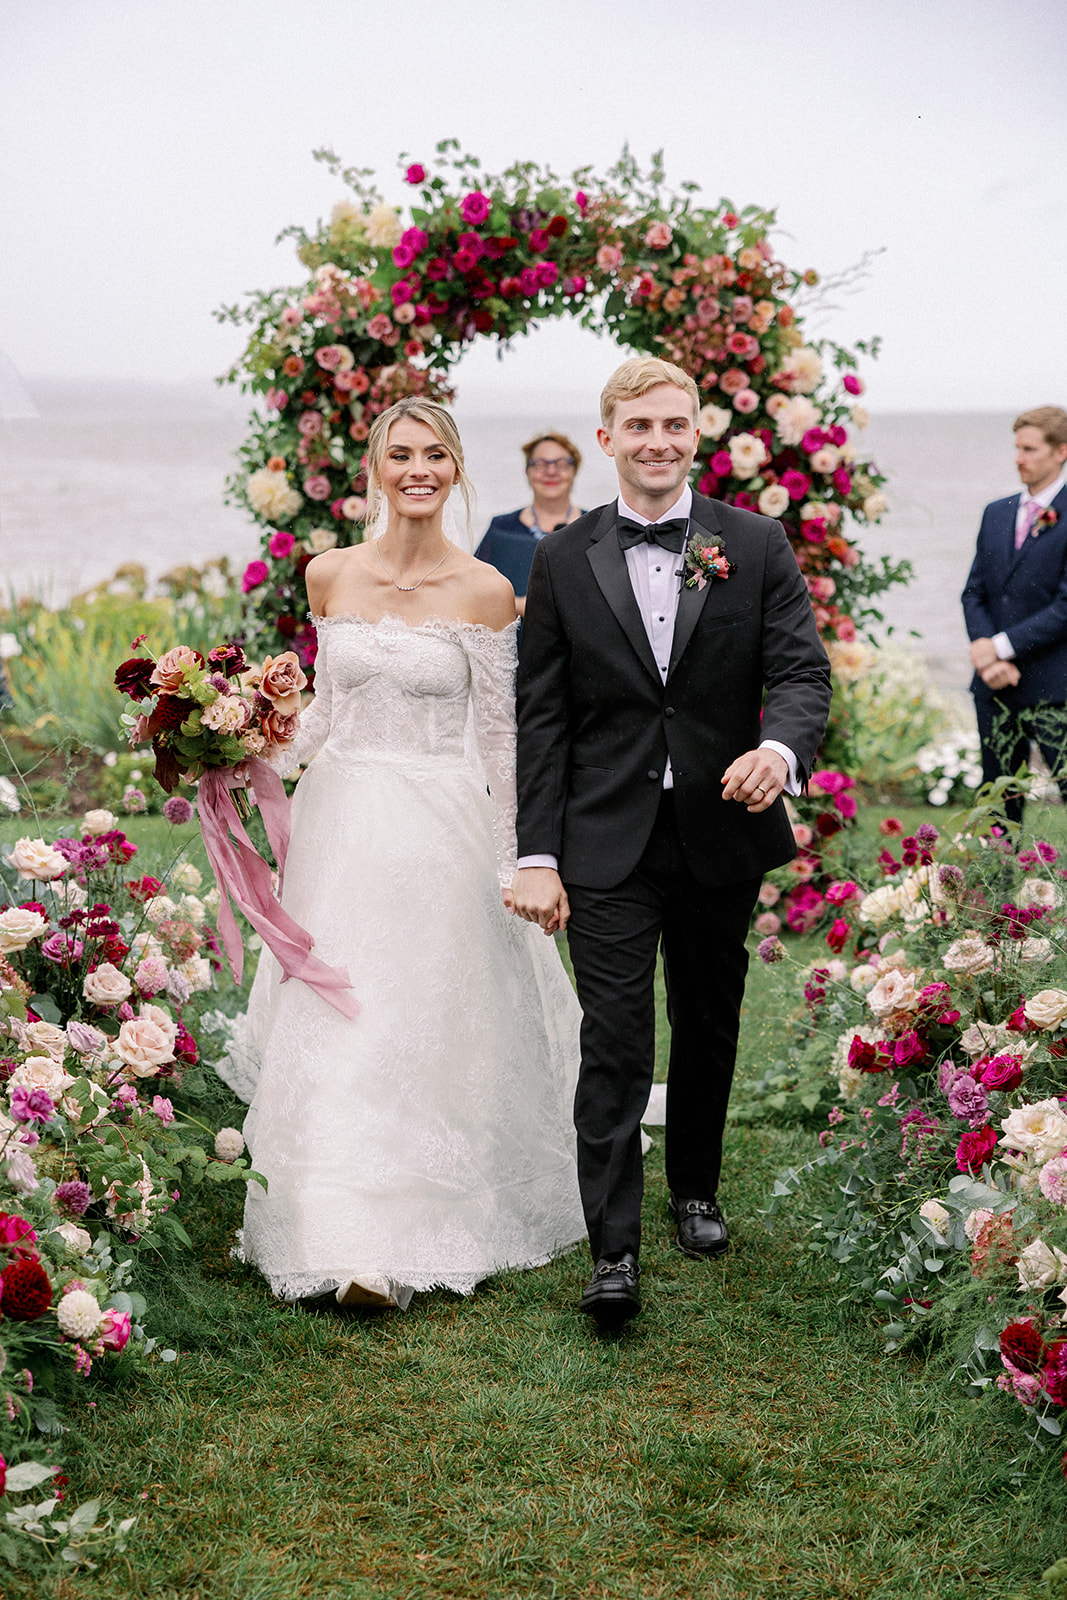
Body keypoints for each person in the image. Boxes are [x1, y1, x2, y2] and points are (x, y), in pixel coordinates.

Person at [227, 397, 586, 1310]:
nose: (417, 469)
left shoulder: (485, 592)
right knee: (338, 1015)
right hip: (343, 821)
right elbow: (324, 717)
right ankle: (338, 1234)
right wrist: (236, 747)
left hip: (439, 824)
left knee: (424, 1016)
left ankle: (427, 1216)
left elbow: (502, 739)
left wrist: (521, 861)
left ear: (457, 469)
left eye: (434, 454)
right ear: (375, 470)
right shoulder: (328, 575)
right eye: (400, 454)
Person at [510, 356, 832, 1329]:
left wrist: (775, 749)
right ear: (604, 438)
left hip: (717, 832)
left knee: (708, 1019)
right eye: (637, 425)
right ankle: (612, 1251)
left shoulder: (753, 541)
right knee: (612, 1038)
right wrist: (536, 851)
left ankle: (694, 1186)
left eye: (674, 424)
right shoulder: (562, 558)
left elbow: (801, 673)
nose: (658, 440)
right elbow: (542, 719)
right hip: (603, 838)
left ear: (697, 433)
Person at [962, 406, 1067, 824]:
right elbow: (974, 592)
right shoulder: (997, 512)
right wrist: (988, 658)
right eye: (1016, 448)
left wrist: (998, 648)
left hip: (1056, 685)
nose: (1019, 458)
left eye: (1029, 449)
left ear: (1061, 452)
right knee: (998, 804)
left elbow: (1065, 606)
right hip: (995, 687)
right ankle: (1000, 887)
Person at [475, 432, 584, 616]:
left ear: (574, 471)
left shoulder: (596, 527)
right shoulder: (501, 528)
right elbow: (474, 589)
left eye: (562, 464)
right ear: (527, 471)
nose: (551, 471)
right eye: (540, 464)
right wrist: (520, 605)